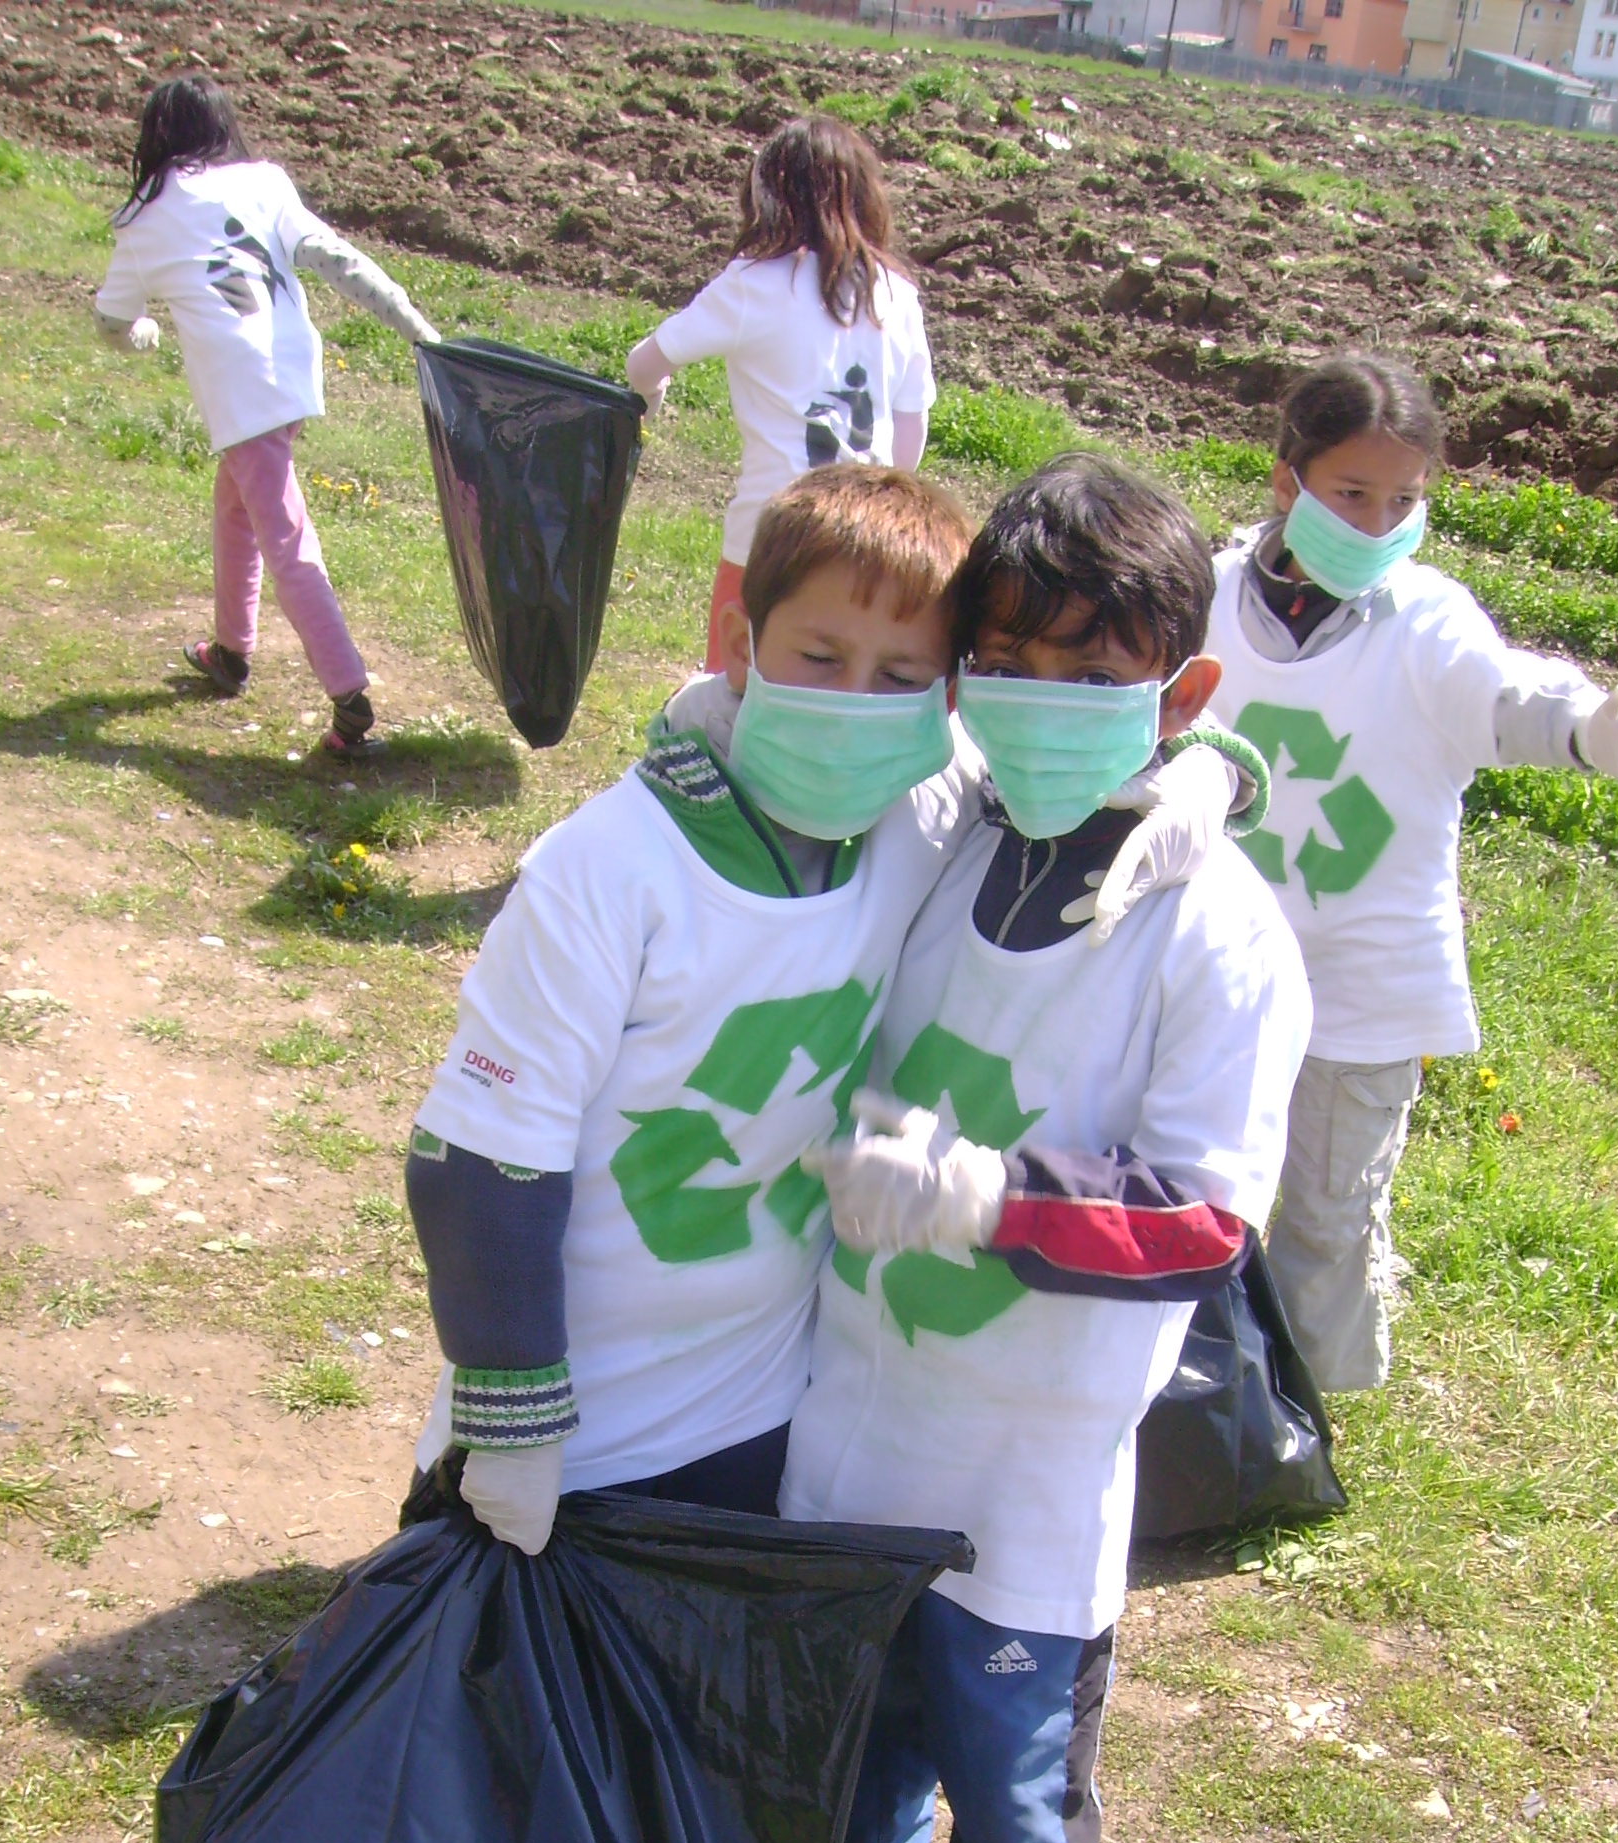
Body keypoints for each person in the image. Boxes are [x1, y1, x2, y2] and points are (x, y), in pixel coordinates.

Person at [783, 456, 1310, 1843]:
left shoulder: (1215, 931)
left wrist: (997, 1199)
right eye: (1000, 663)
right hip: (860, 1399)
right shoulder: (948, 828)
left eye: (1086, 678)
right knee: (853, 1707)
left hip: (1028, 1455)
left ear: (1180, 696)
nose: (1034, 706)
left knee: (1014, 1779)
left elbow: (1202, 1219)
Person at [405, 464, 1245, 1568]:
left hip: (762, 1412)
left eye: (902, 674)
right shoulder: (604, 872)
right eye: (819, 658)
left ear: (947, 695)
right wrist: (513, 1411)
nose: (857, 701)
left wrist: (1211, 778)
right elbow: (479, 1157)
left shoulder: (918, 814)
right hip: (577, 1421)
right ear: (740, 640)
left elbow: (1094, 736)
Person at [1206, 351, 1618, 1393]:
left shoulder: (1426, 620)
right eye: (1352, 494)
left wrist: (1587, 733)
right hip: (1212, 966)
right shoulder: (1205, 596)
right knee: (1198, 1177)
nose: (1380, 522)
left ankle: (1314, 1408)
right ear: (1286, 480)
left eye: (1405, 500)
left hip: (1364, 986)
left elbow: (1505, 698)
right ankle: (1192, 1382)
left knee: (1328, 1214)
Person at [93, 74, 442, 758]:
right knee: (237, 509)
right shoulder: (265, 181)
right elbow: (336, 259)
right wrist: (415, 326)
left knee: (286, 541)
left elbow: (112, 321)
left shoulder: (144, 219)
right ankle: (230, 651)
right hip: (291, 378)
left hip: (243, 394)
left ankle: (351, 701)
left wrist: (144, 336)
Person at [625, 116, 933, 674]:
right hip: (866, 543)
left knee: (734, 691)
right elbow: (910, 432)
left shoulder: (753, 285)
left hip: (766, 541)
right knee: (839, 687)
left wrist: (651, 397)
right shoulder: (898, 296)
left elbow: (644, 362)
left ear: (768, 198)